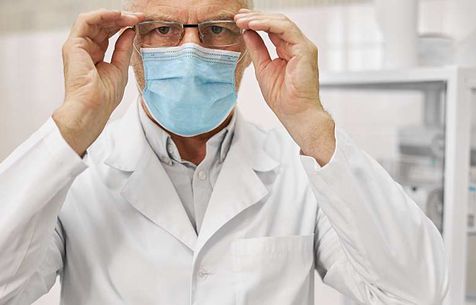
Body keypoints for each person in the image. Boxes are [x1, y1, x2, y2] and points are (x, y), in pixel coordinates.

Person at [0, 0, 449, 304]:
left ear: (251, 47)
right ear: (130, 43)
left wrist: (312, 124)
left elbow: (414, 291)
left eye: (218, 29)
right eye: (162, 29)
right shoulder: (75, 175)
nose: (192, 50)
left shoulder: (300, 172)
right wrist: (73, 124)